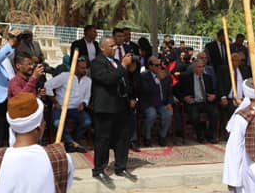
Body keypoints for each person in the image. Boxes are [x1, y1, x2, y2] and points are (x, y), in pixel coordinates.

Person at [90, 37, 134, 185]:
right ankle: (99, 169)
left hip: (120, 105)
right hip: (105, 106)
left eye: (115, 45)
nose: (115, 48)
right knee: (103, 138)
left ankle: (121, 166)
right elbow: (108, 80)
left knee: (122, 137)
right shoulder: (97, 63)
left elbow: (124, 81)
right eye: (111, 45)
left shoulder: (116, 63)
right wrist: (122, 66)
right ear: (102, 48)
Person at [45, 57, 92, 153]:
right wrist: (55, 102)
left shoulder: (88, 81)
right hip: (61, 107)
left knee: (87, 122)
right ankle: (73, 143)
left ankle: (72, 141)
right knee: (57, 123)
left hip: (76, 109)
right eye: (82, 68)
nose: (85, 70)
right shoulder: (64, 76)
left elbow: (86, 97)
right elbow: (47, 85)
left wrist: (83, 103)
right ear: (74, 68)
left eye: (86, 68)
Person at [177, 59, 220, 143]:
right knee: (194, 115)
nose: (201, 69)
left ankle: (210, 135)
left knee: (215, 113)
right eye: (199, 67)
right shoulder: (187, 78)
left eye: (203, 67)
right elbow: (176, 90)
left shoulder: (208, 78)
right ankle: (200, 135)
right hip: (193, 103)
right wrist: (184, 98)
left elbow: (214, 91)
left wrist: (214, 96)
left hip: (205, 102)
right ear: (194, 68)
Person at [139, 55, 173, 148]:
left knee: (168, 114)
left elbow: (170, 92)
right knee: (151, 115)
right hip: (148, 103)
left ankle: (162, 136)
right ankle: (147, 137)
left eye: (160, 65)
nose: (159, 67)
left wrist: (170, 103)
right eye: (156, 65)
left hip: (162, 103)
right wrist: (157, 79)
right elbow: (146, 91)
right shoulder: (144, 76)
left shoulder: (165, 75)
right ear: (150, 66)